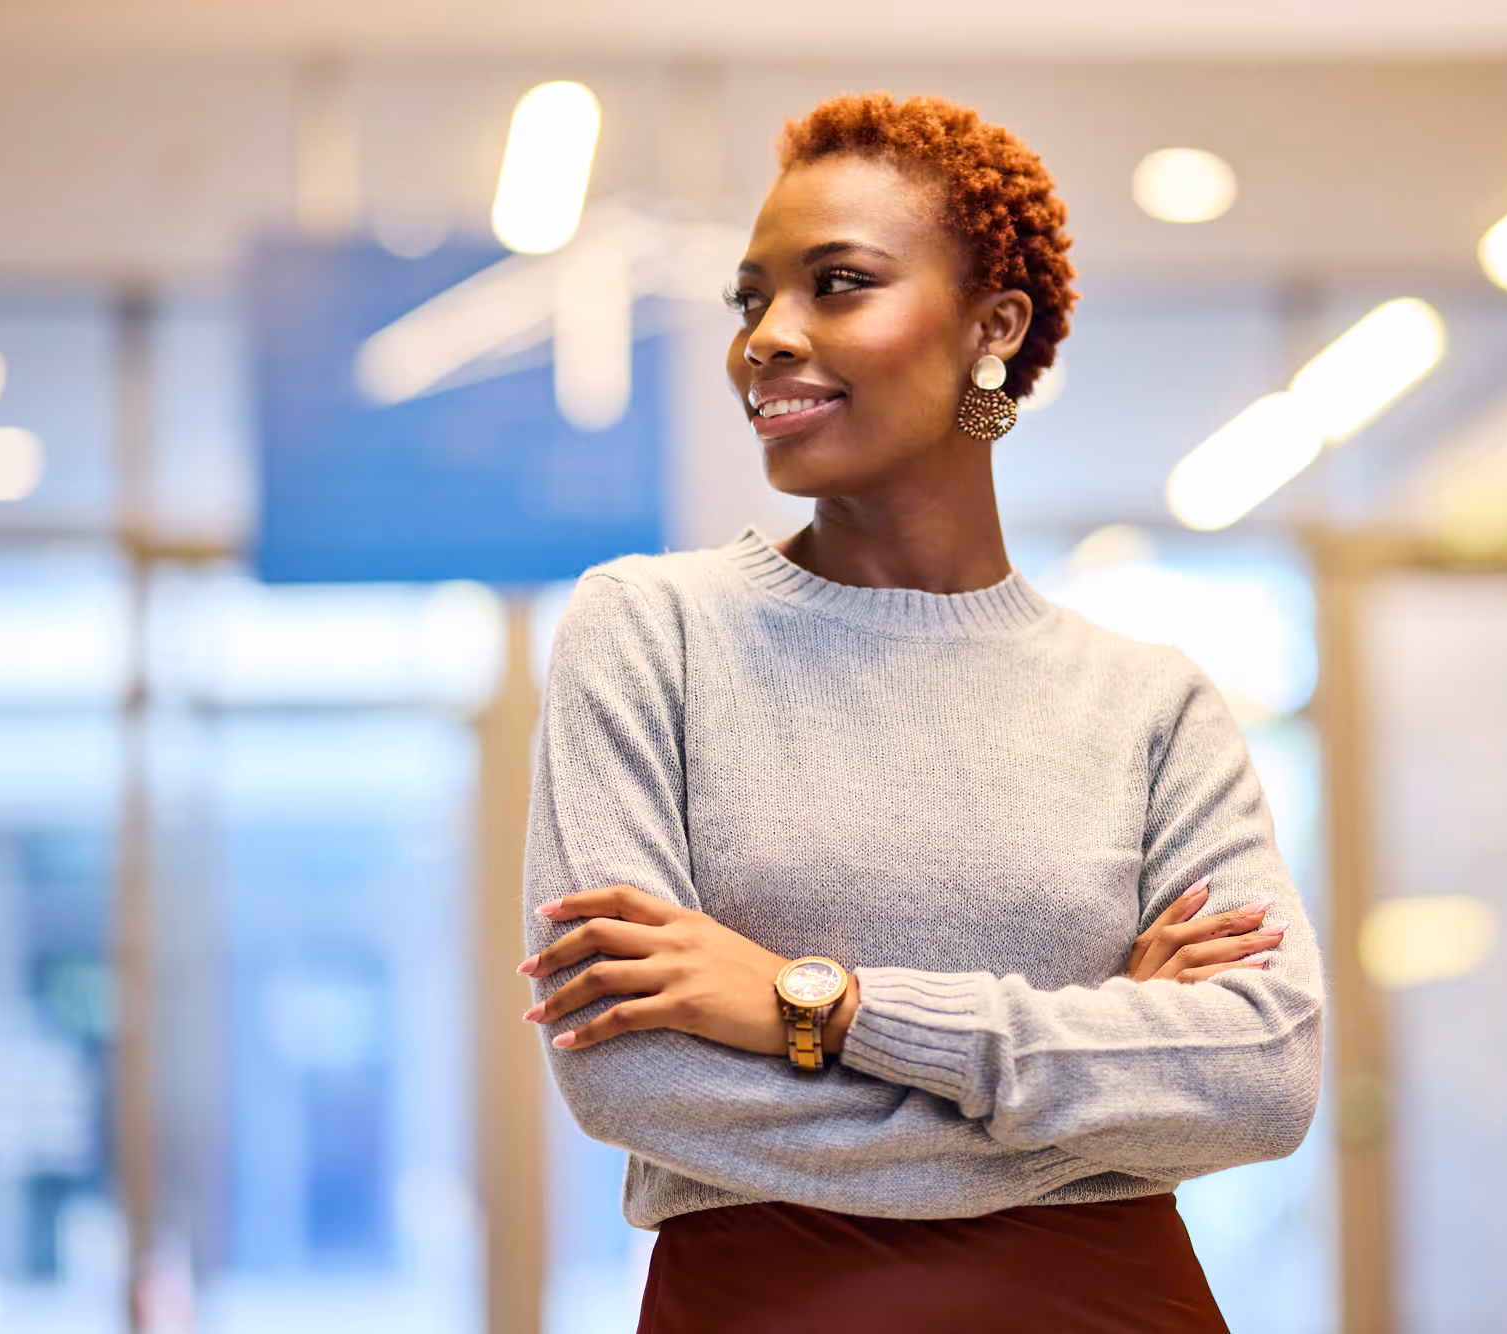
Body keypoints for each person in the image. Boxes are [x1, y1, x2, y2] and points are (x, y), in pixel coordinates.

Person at [519, 92, 1324, 1333]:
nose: (766, 337)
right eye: (750, 298)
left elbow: (1258, 1074)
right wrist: (1102, 1075)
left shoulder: (1149, 702)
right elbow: (636, 1075)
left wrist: (812, 1001)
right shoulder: (648, 631)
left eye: (838, 282)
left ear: (990, 326)